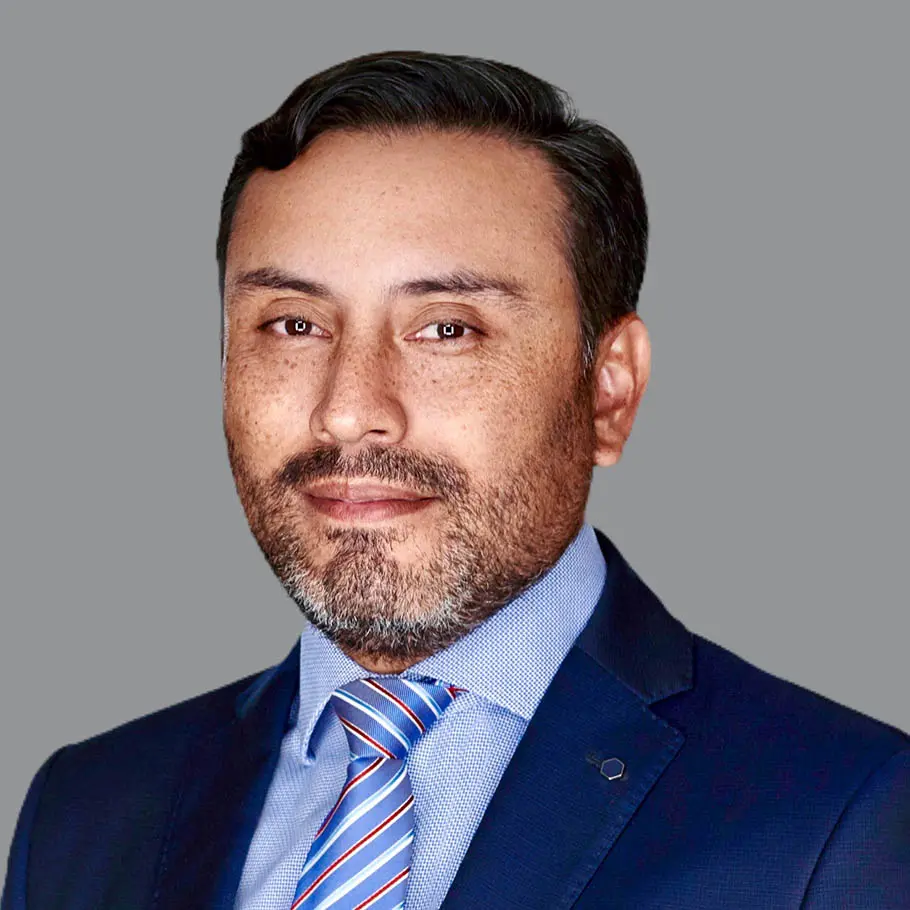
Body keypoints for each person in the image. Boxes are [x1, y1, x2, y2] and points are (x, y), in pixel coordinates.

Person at [3, 49, 908, 910]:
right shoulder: (85, 814)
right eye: (291, 325)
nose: (350, 410)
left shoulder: (844, 816)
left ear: (609, 388)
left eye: (447, 329)